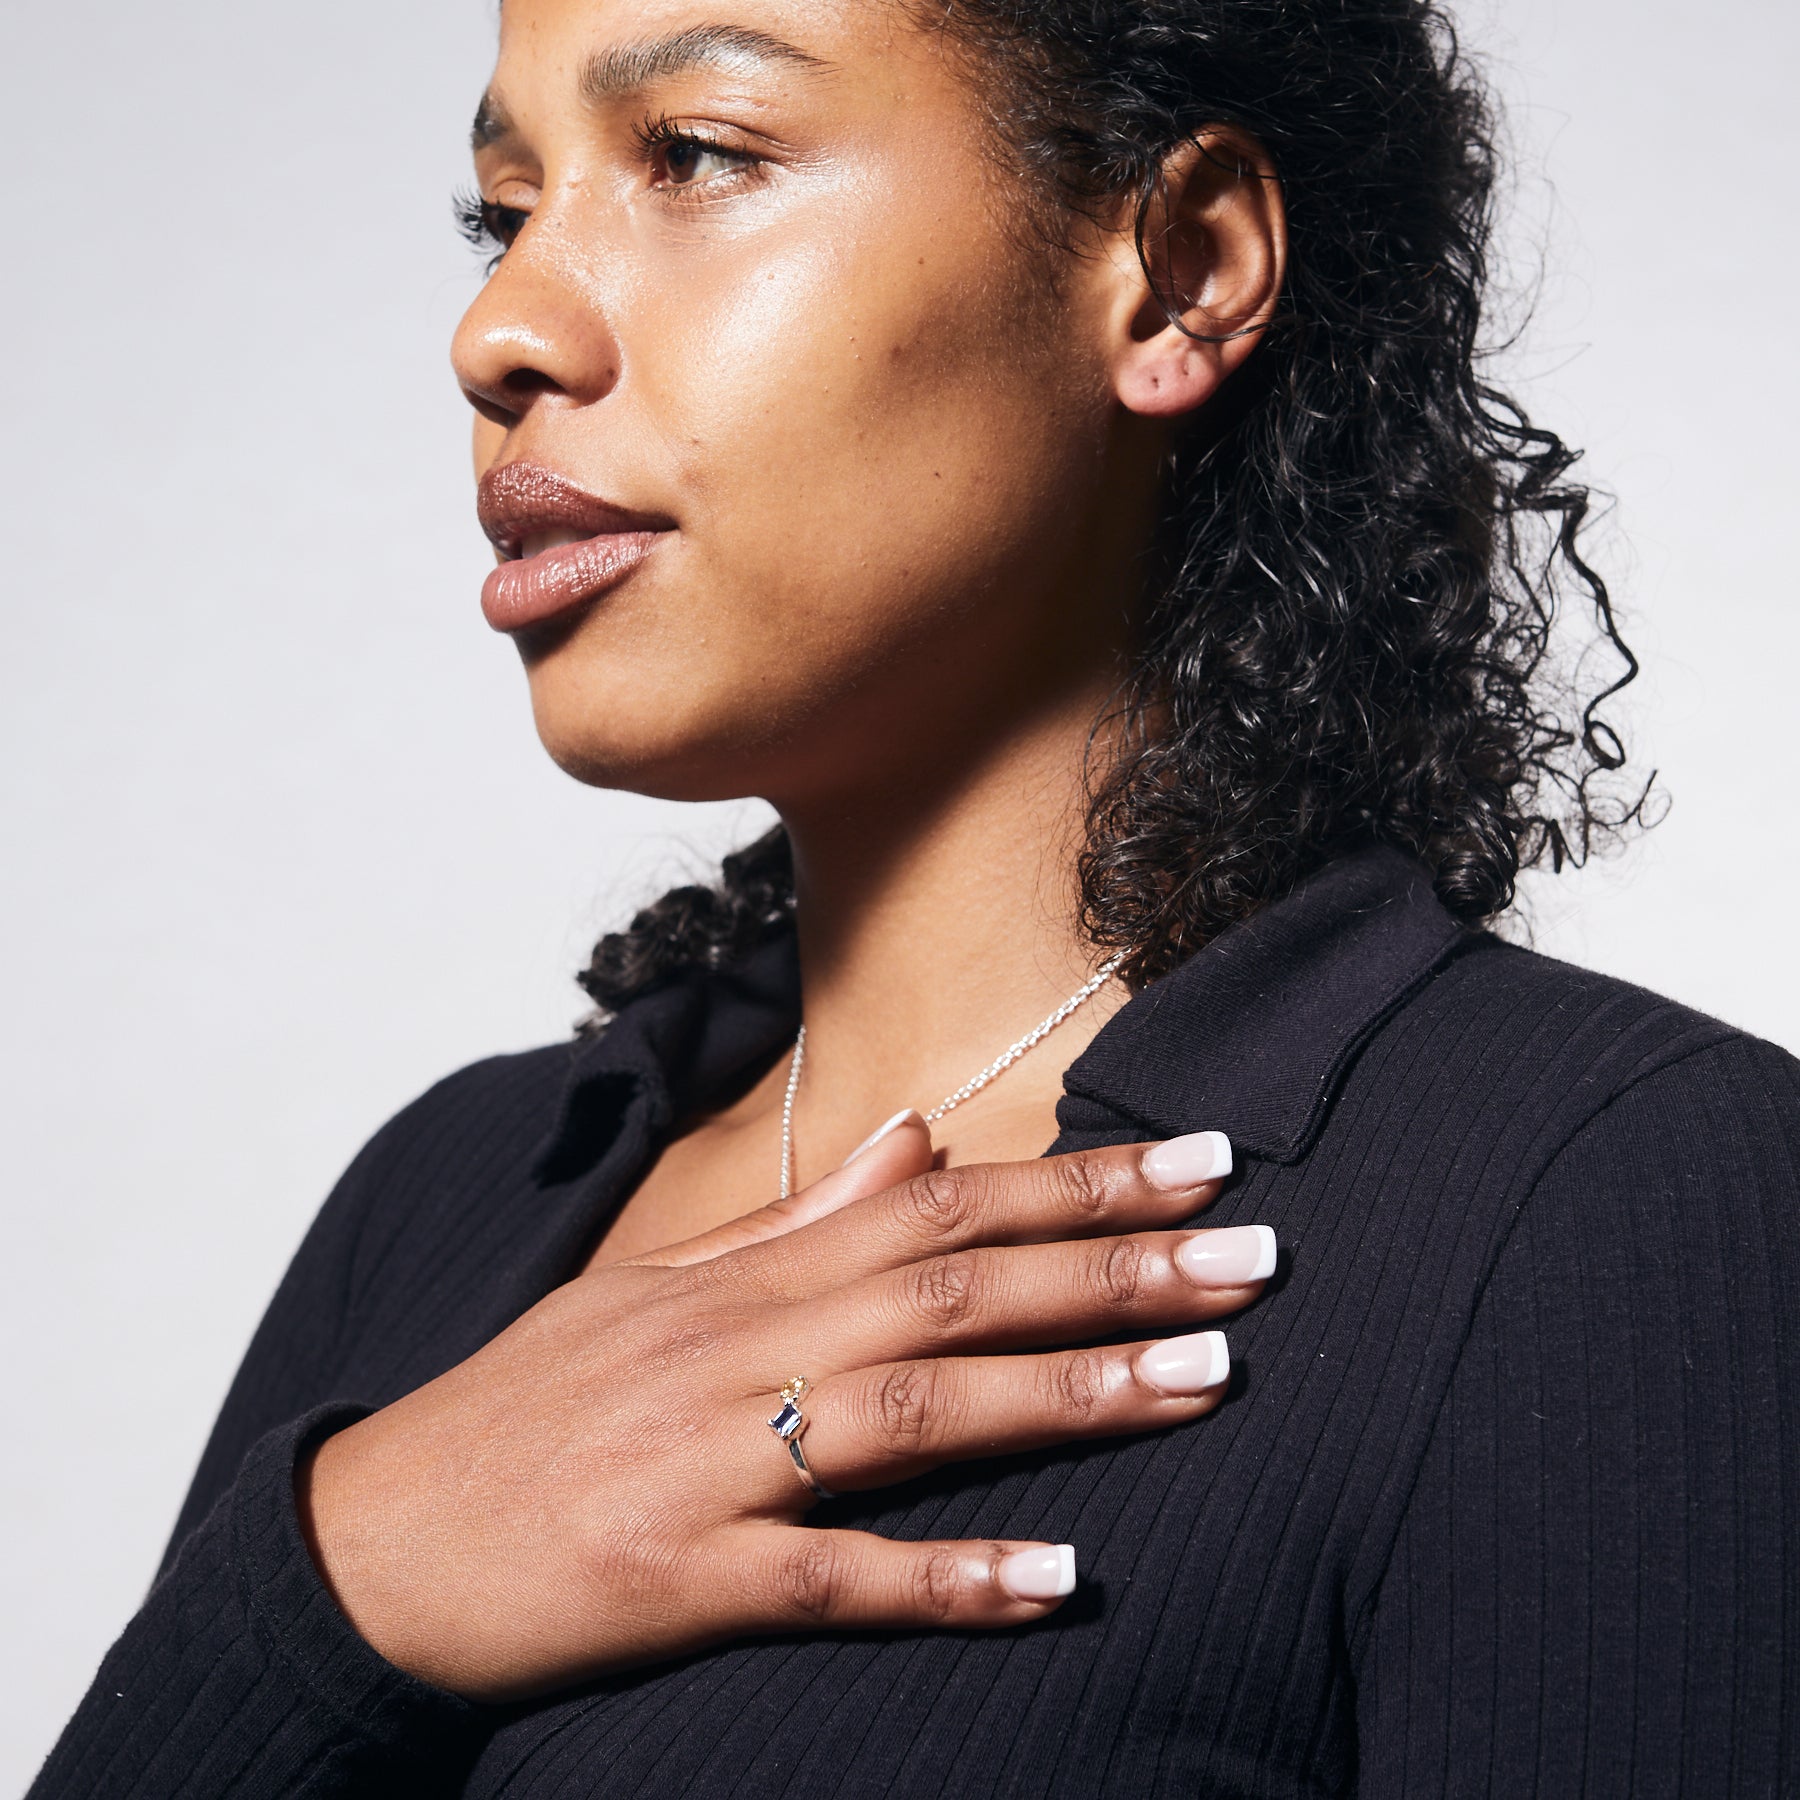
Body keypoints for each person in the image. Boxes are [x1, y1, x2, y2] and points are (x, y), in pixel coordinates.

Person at [32, 0, 1798, 1794]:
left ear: (1178, 267)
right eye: (507, 210)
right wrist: (342, 1576)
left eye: (698, 156)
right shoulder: (453, 1195)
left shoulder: (1618, 1204)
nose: (502, 330)